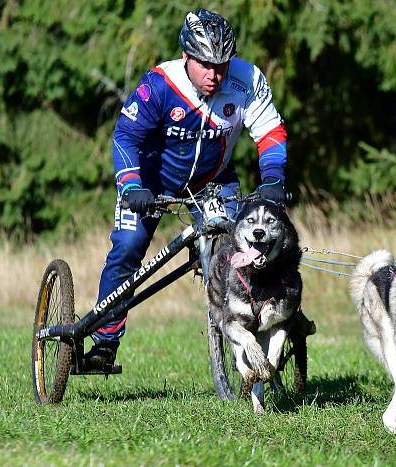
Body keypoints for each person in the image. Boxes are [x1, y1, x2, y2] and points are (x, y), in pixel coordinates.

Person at [82, 8, 291, 370]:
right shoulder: (160, 84)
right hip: (149, 183)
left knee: (239, 246)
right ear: (185, 57)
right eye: (205, 64)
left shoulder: (247, 80)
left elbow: (270, 133)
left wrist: (272, 178)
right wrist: (131, 184)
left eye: (222, 64)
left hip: (213, 181)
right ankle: (104, 343)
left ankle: (250, 331)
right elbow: (125, 135)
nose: (215, 74)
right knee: (129, 248)